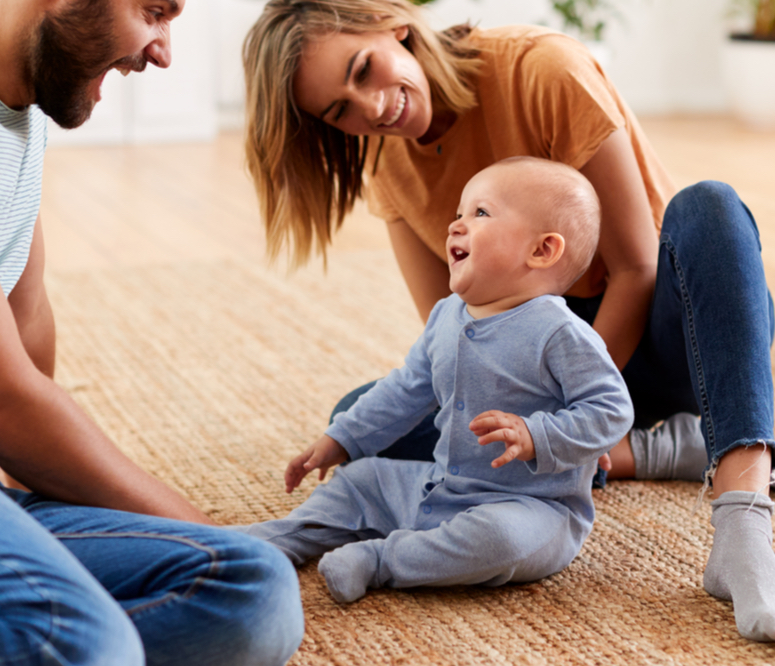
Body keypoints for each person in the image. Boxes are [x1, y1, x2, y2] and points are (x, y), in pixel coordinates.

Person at [241, 0, 775, 648]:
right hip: (545, 387)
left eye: (363, 70)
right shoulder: (386, 162)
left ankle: (741, 525)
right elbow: (452, 332)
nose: (371, 109)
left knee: (712, 205)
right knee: (362, 416)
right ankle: (664, 448)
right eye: (339, 111)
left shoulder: (541, 68)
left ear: (390, 25)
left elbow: (636, 266)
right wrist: (538, 427)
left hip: (673, 334)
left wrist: (568, 412)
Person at [0, 0, 304, 663]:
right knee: (72, 638)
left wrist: (39, 496)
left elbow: (25, 324)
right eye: (155, 11)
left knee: (247, 586)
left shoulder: (9, 101)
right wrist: (197, 522)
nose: (161, 51)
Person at [234, 157, 633, 604]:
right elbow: (406, 389)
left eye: (479, 213)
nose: (455, 226)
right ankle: (283, 537)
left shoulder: (559, 332)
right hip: (439, 484)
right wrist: (342, 437)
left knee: (499, 542)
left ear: (541, 251)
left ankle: (383, 560)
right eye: (459, 213)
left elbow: (611, 409)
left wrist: (537, 434)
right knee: (361, 479)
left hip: (533, 507)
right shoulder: (447, 315)